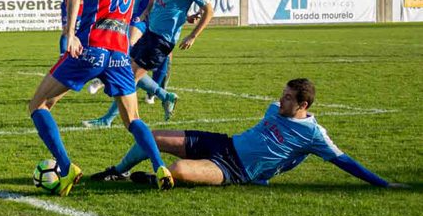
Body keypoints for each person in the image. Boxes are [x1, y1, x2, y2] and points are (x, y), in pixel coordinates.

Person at [28, 0, 177, 196]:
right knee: (133, 119)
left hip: (91, 48)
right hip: (120, 54)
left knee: (38, 104)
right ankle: (160, 167)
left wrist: (70, 33)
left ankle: (66, 167)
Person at [92, 78, 405, 188]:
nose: (280, 99)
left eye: (287, 98)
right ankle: (116, 171)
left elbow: (344, 161)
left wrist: (382, 183)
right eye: (282, 94)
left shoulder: (314, 134)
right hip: (222, 143)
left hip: (234, 169)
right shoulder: (274, 109)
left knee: (179, 169)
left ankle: (154, 179)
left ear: (303, 105)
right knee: (151, 136)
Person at [83, 0, 213, 127]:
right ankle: (165, 96)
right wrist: (146, 11)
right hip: (149, 32)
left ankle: (107, 120)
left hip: (162, 41)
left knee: (128, 79)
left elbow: (209, 10)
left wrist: (193, 36)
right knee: (127, 71)